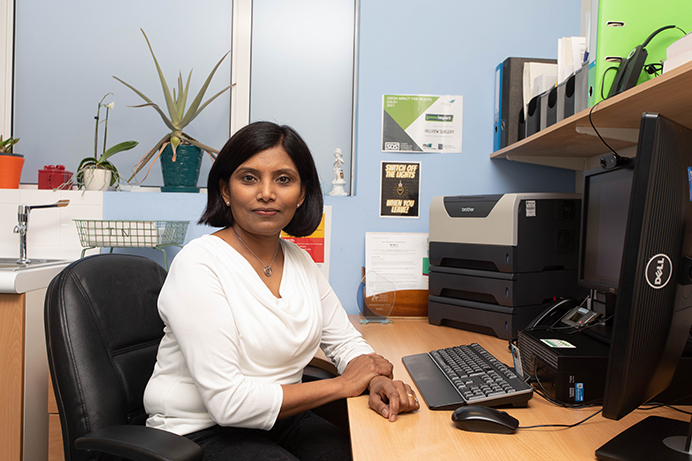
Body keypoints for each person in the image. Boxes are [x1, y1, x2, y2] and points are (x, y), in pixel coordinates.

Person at [143, 121, 419, 461]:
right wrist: (344, 385)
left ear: (302, 193)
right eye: (249, 178)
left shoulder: (299, 261)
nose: (267, 193)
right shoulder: (199, 264)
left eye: (284, 179)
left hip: (281, 419)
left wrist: (375, 381)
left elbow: (344, 342)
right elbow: (228, 404)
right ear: (226, 191)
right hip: (196, 431)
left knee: (371, 450)